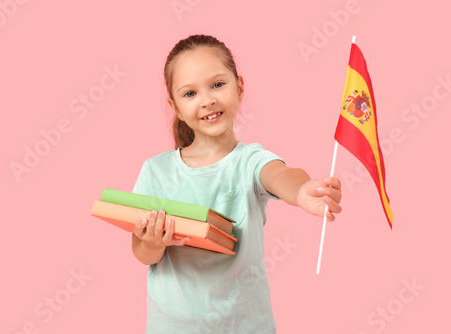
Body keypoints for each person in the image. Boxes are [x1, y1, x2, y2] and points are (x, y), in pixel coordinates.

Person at [131, 34, 342, 334]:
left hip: (245, 327)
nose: (207, 100)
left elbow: (280, 175)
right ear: (175, 106)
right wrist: (152, 241)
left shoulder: (250, 160)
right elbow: (141, 252)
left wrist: (301, 191)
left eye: (218, 84)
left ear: (239, 87)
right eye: (190, 93)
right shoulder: (155, 170)